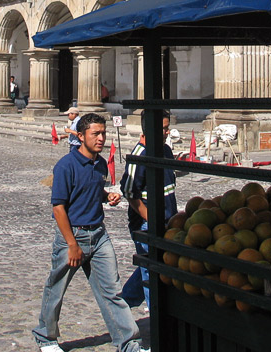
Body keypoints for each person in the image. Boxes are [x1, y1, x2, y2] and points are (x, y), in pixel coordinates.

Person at [32, 113, 148, 352]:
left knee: (112, 291)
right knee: (56, 288)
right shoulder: (66, 166)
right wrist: (71, 244)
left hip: (99, 235)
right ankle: (46, 338)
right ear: (81, 136)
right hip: (72, 236)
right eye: (95, 134)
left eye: (103, 133)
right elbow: (59, 208)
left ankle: (128, 343)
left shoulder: (101, 164)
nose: (101, 138)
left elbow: (92, 192)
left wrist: (108, 196)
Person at [120, 110, 177, 311]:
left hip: (169, 220)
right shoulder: (140, 156)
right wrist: (150, 219)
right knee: (153, 273)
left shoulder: (166, 151)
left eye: (167, 127)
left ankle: (123, 303)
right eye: (164, 128)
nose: (168, 132)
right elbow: (129, 192)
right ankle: (158, 326)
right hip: (146, 225)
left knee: (151, 265)